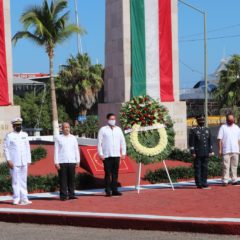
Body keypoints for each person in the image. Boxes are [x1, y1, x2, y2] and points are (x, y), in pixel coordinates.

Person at [3, 117, 32, 205]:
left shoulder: (25, 135)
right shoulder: (10, 136)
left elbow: (27, 148)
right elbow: (6, 149)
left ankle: (24, 198)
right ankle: (16, 198)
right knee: (15, 181)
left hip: (24, 161)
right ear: (13, 126)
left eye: (19, 125)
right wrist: (8, 160)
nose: (18, 126)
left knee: (23, 180)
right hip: (14, 162)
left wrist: (28, 160)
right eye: (16, 125)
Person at [98, 113, 126, 197]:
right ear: (107, 119)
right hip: (107, 155)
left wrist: (123, 153)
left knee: (115, 173)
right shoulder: (103, 129)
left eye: (114, 119)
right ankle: (108, 190)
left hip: (116, 155)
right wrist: (100, 154)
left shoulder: (119, 129)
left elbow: (123, 142)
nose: (113, 120)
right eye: (111, 119)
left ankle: (115, 190)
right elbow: (99, 142)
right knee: (107, 173)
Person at [54, 122, 80, 201]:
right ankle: (63, 196)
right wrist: (56, 162)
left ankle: (71, 194)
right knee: (63, 180)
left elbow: (76, 150)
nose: (67, 129)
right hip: (62, 161)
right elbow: (56, 151)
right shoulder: (58, 138)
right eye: (65, 127)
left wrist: (78, 160)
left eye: (68, 127)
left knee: (71, 179)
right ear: (62, 129)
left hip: (72, 161)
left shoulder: (73, 138)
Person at [189, 115, 214, 189]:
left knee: (205, 168)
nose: (202, 121)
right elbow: (191, 143)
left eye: (203, 120)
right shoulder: (193, 130)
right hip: (197, 152)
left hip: (205, 152)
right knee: (198, 168)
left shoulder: (207, 129)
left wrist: (211, 150)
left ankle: (204, 182)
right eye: (200, 120)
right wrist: (192, 152)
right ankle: (199, 183)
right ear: (197, 121)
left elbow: (210, 141)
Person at [217, 113, 240, 186]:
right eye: (229, 119)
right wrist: (220, 150)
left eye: (232, 119)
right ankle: (225, 181)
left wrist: (239, 149)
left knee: (234, 166)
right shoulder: (223, 127)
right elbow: (219, 139)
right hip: (226, 150)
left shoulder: (237, 128)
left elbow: (239, 140)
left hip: (235, 150)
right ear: (226, 119)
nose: (230, 120)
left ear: (234, 119)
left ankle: (234, 180)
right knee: (225, 166)